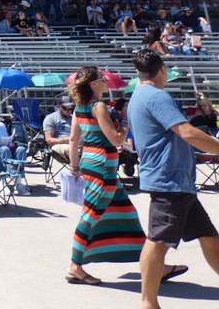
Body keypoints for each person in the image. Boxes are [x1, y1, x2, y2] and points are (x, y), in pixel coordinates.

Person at [128, 48, 219, 309]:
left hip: (178, 182)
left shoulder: (138, 95)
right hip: (168, 181)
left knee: (210, 240)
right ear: (162, 71)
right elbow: (188, 133)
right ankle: (148, 304)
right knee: (157, 242)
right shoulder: (157, 96)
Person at [64, 65, 146, 286]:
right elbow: (117, 140)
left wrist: (75, 168)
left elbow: (73, 141)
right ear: (93, 84)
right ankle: (75, 265)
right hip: (103, 166)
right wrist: (125, 120)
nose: (107, 81)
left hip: (91, 162)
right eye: (102, 78)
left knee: (126, 213)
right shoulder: (98, 106)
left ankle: (150, 261)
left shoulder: (79, 107)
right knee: (90, 216)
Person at [44, 95, 75, 165]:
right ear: (58, 107)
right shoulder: (51, 118)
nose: (68, 111)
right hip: (59, 145)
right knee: (72, 150)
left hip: (75, 143)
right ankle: (77, 171)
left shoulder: (74, 118)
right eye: (65, 108)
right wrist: (68, 140)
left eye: (70, 109)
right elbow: (49, 140)